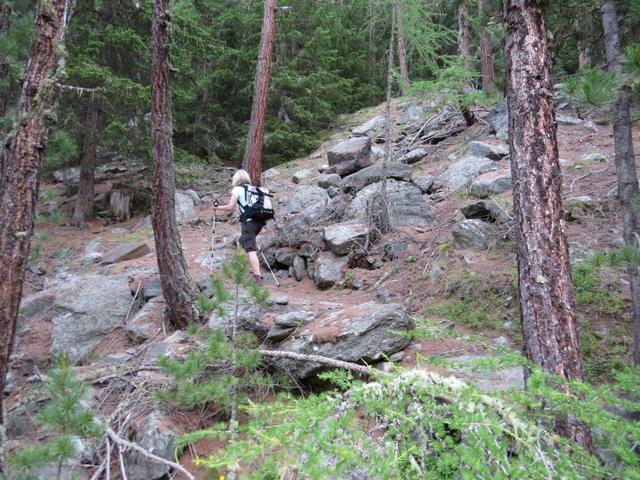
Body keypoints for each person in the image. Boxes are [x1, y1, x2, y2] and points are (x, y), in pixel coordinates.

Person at [213, 169, 266, 285]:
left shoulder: (237, 189)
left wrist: (217, 208)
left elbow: (230, 207)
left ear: (235, 179)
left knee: (251, 249)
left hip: (248, 223)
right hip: (259, 222)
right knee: (242, 242)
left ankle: (258, 278)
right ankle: (240, 267)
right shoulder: (253, 189)